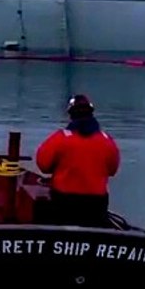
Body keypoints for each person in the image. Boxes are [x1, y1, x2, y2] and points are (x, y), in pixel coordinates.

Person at [35, 94, 121, 228]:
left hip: (65, 202)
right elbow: (113, 169)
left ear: (71, 115)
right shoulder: (106, 140)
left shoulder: (60, 138)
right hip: (96, 205)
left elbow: (43, 165)